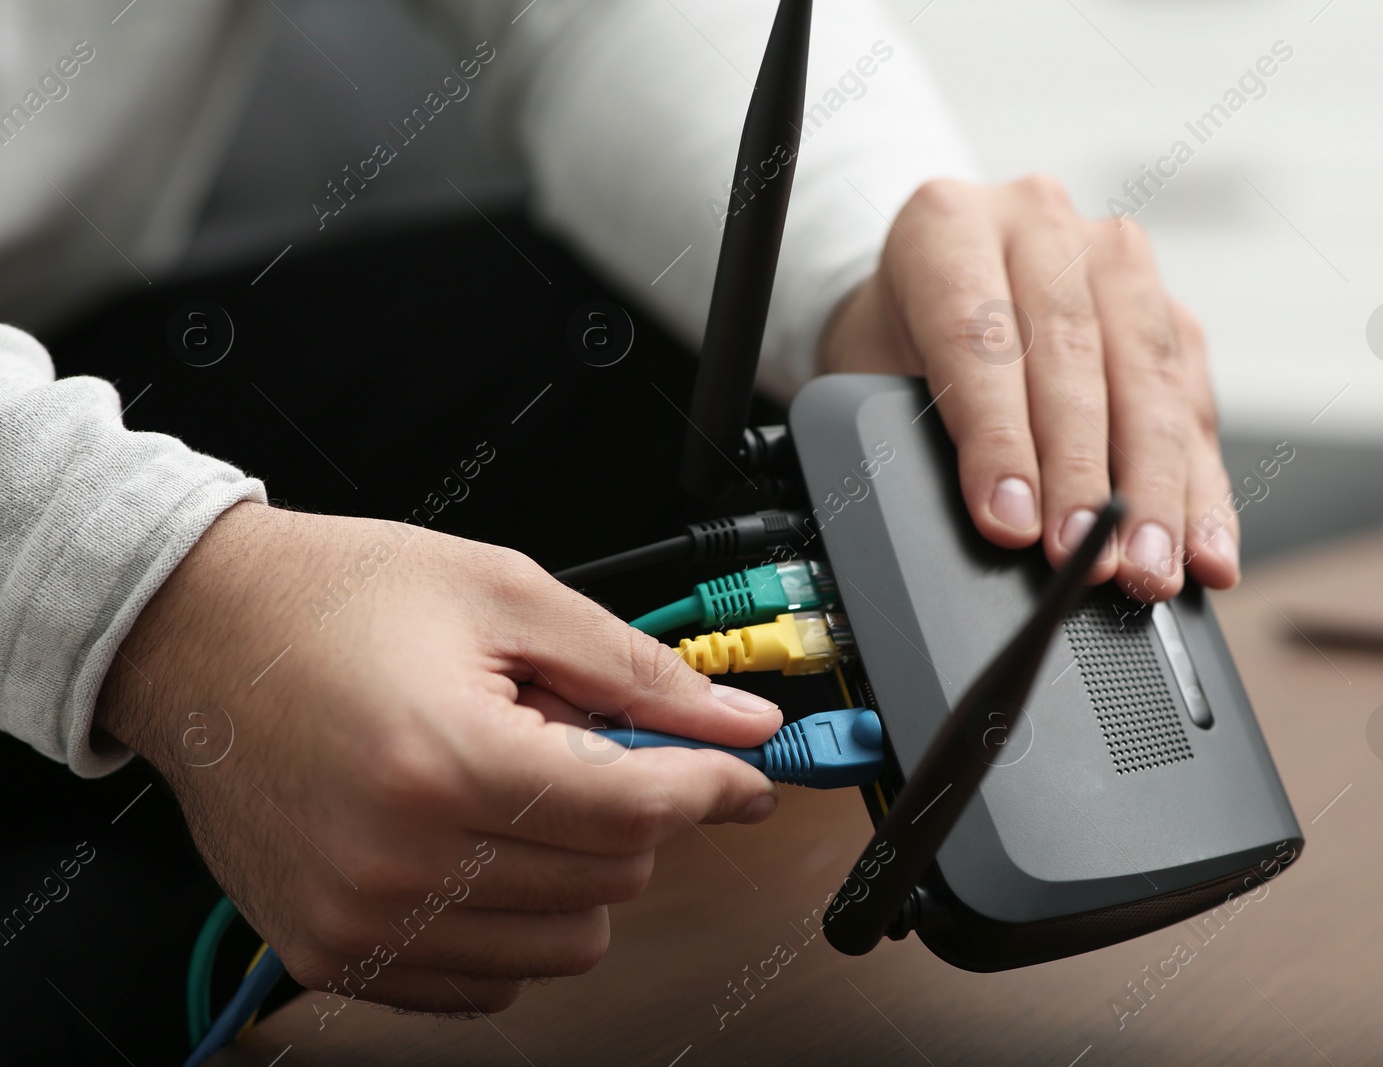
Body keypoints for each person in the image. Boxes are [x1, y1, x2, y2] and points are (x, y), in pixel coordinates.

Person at [0, 0, 1239, 1018]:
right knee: (82, 973)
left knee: (666, 361)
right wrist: (160, 601)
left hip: (62, 349)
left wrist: (863, 291)